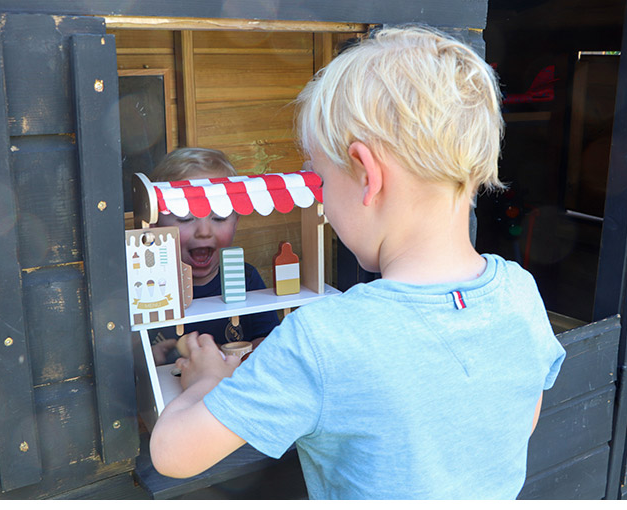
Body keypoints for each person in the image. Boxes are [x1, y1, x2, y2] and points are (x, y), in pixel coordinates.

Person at [149, 25, 566, 499]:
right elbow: (520, 422)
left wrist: (208, 381)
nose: (322, 200)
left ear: (367, 174)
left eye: (321, 180)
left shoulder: (323, 339)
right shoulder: (520, 292)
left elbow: (172, 453)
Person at [148, 147, 279, 365]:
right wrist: (150, 357)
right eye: (185, 217)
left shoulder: (246, 278)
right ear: (155, 225)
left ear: (236, 222)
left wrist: (236, 356)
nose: (204, 231)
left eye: (219, 217)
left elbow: (269, 341)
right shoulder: (147, 288)